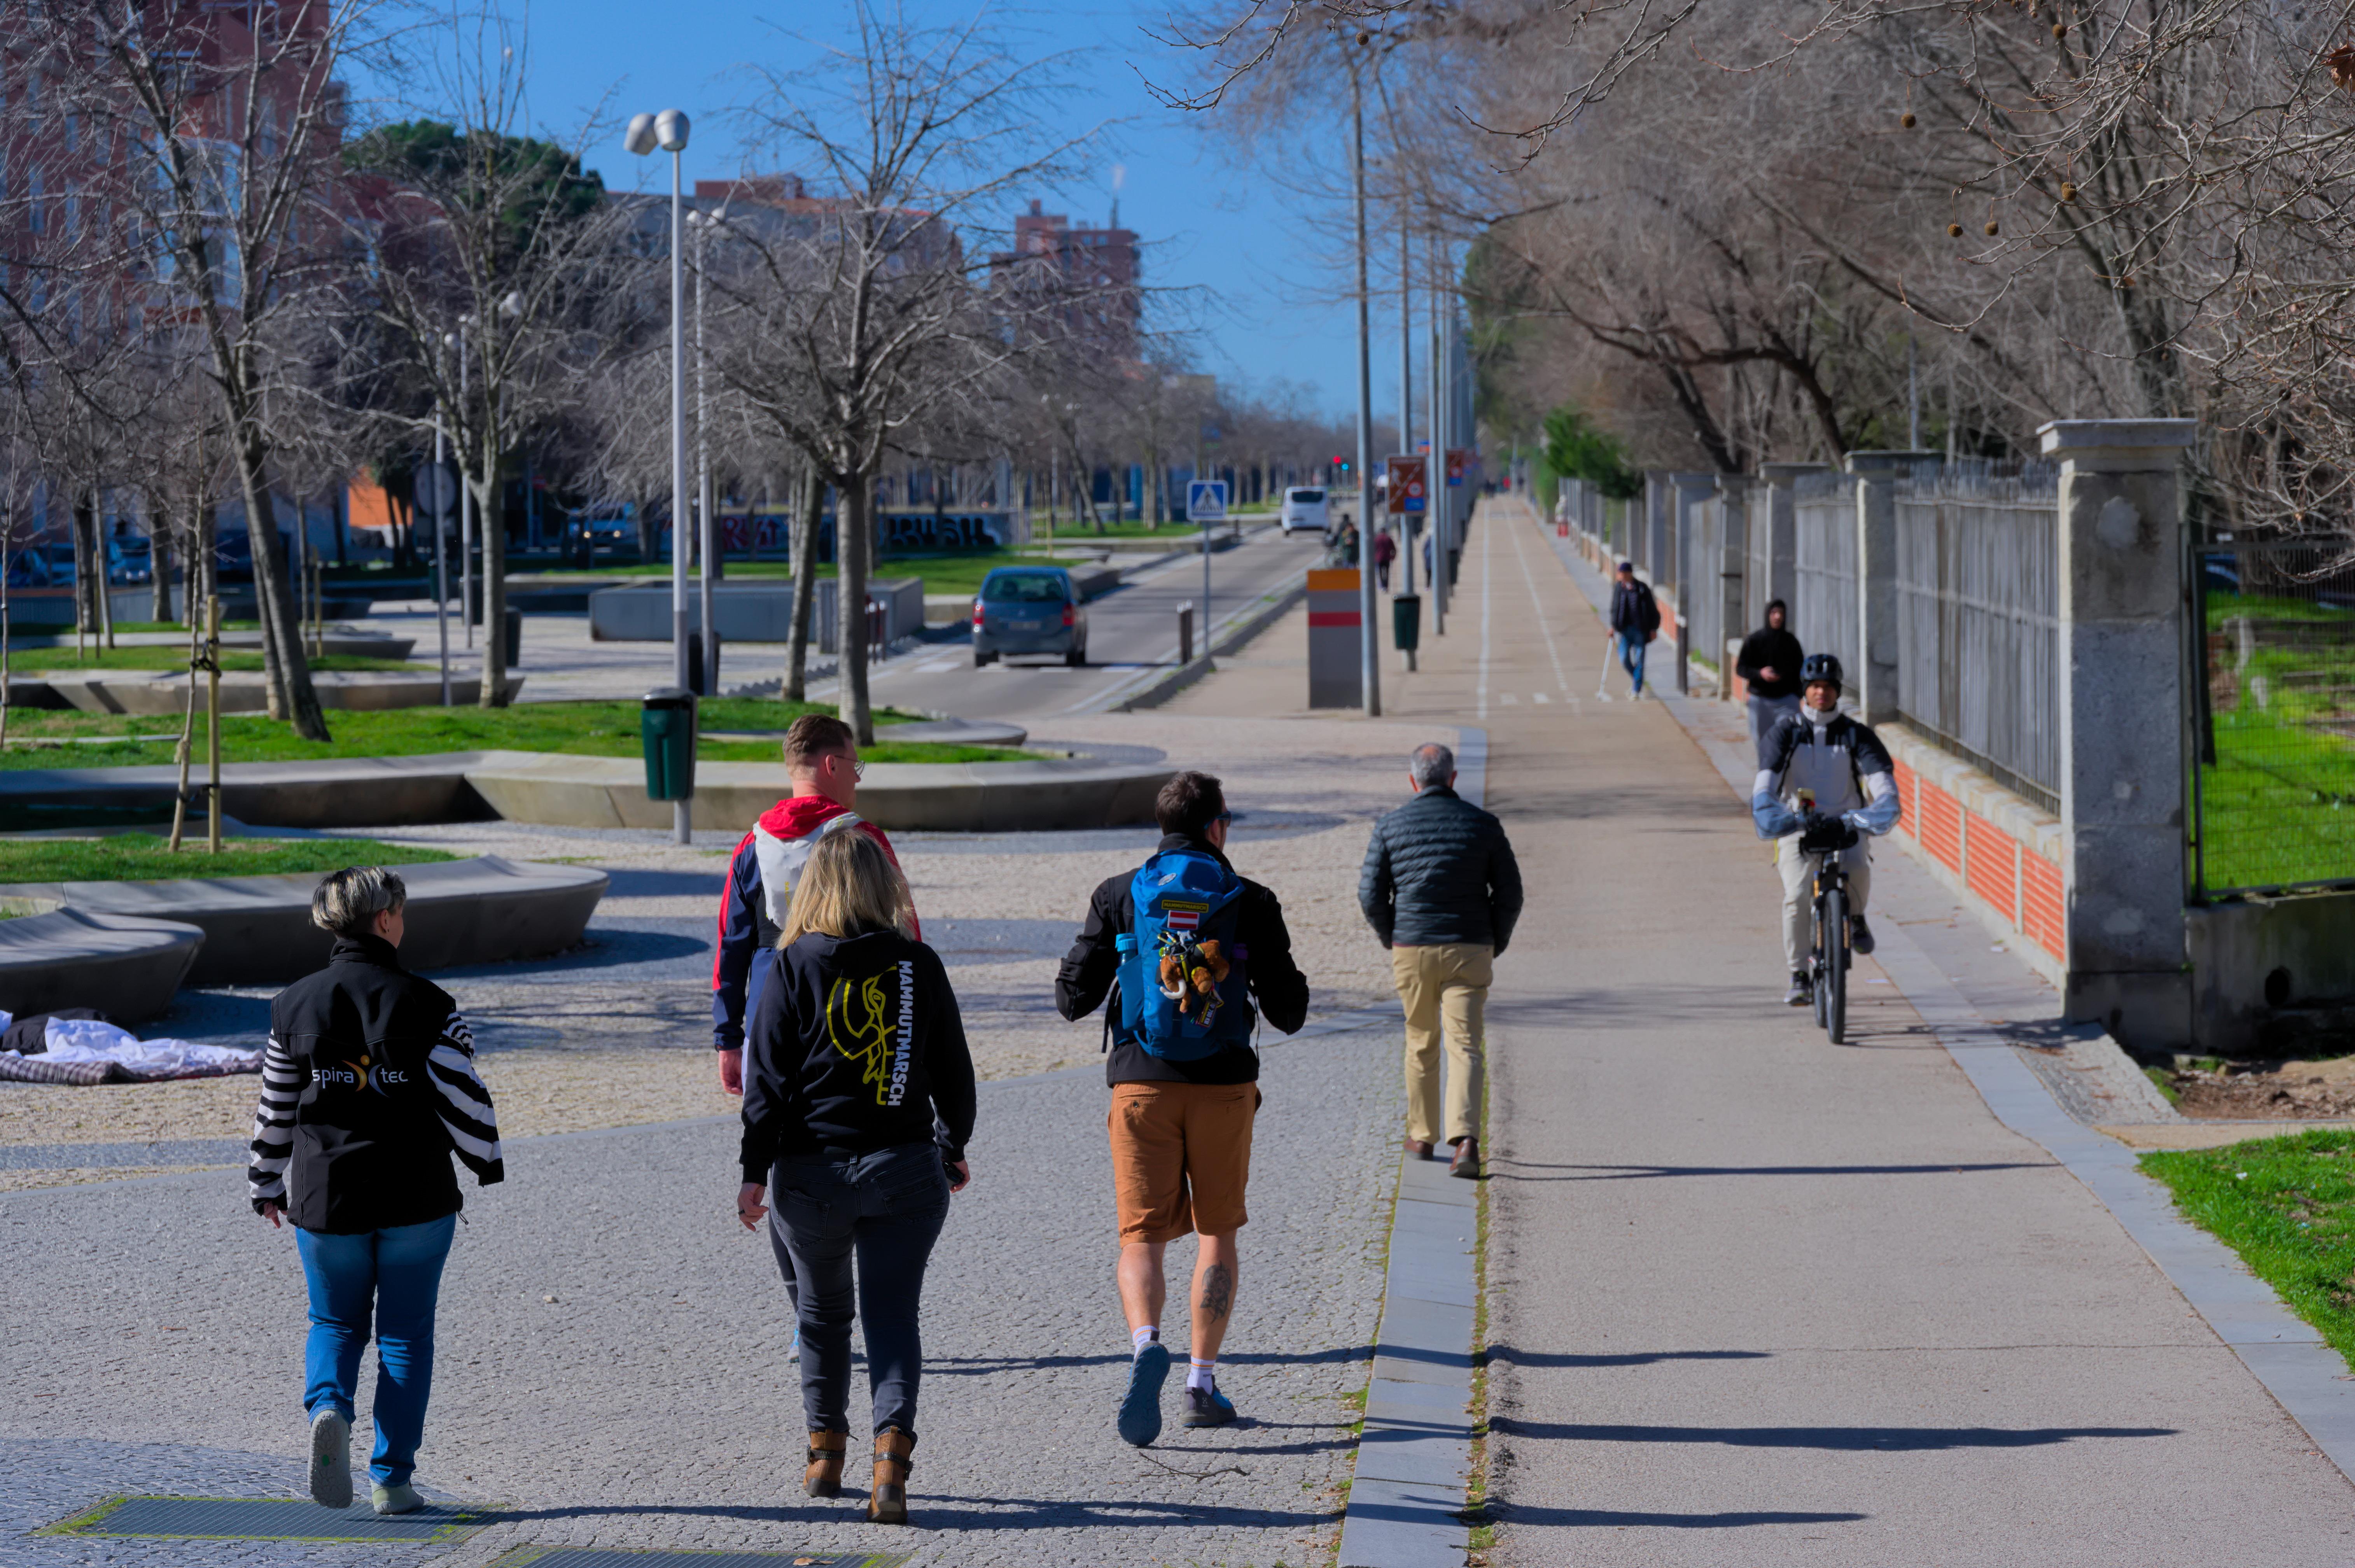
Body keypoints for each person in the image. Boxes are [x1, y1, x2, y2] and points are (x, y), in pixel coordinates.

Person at [1055, 771, 1310, 1447]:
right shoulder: (1251, 899)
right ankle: (1200, 1383)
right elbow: (1290, 1011)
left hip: (1141, 1086)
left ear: (1161, 825)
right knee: (1216, 1234)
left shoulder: (1119, 894)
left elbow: (1071, 998)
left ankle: (1146, 1343)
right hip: (1224, 1088)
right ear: (1217, 825)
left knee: (1140, 1237)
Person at [247, 867, 504, 1516]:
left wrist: (265, 1182)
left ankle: (329, 1407)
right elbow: (462, 1092)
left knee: (334, 1322)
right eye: (402, 913)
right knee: (406, 1335)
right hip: (416, 1195)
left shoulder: (292, 1005)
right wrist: (485, 1160)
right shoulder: (431, 1003)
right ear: (386, 919)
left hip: (326, 1197)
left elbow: (276, 1108)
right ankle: (392, 1480)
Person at [736, 829, 974, 1526]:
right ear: (884, 888)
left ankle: (824, 1456)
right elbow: (954, 1072)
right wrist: (953, 1144)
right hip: (905, 1168)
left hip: (811, 1173)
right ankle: (890, 1463)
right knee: (893, 1317)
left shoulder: (790, 966)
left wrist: (753, 1172)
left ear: (814, 888)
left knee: (820, 1315)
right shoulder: (918, 964)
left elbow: (767, 1084)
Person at [714, 714, 921, 1362]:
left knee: (786, 1163)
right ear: (831, 765)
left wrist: (727, 1038)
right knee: (872, 1151)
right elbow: (907, 932)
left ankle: (808, 1312)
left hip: (772, 1019)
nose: (857, 778)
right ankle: (874, 1307)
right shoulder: (861, 838)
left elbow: (730, 945)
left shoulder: (752, 844)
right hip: (858, 1019)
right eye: (855, 765)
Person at [1358, 743, 1523, 1179]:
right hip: (1470, 946)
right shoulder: (1484, 825)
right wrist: (1494, 941)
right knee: (1465, 1043)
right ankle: (1466, 1140)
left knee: (1420, 1040)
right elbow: (1510, 893)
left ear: (1413, 781)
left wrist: (1392, 936)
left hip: (1413, 947)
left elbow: (1370, 895)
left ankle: (1422, 1136)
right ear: (1452, 779)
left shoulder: (1390, 826)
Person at [1751, 653, 1902, 1006]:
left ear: (1838, 690)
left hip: (1846, 822)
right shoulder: (1786, 732)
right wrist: (1767, 807)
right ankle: (1799, 975)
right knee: (1797, 896)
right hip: (1798, 825)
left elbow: (1880, 779)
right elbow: (1767, 781)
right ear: (1805, 690)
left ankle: (1856, 917)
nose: (1822, 693)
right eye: (1815, 686)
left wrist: (1883, 803)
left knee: (1859, 867)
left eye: (1829, 686)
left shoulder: (1855, 734)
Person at [1734, 599, 1805, 767]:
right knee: (1763, 743)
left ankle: (1785, 775)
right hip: (1761, 702)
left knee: (1789, 740)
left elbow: (1801, 672)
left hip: (1787, 701)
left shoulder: (1792, 642)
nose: (1777, 617)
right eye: (1774, 613)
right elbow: (1741, 668)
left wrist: (1800, 697)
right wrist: (1760, 674)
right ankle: (1766, 775)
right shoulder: (1754, 640)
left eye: (1781, 613)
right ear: (1767, 615)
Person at [1608, 562, 1661, 698]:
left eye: (1623, 573)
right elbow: (1615, 608)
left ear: (1629, 573)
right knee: (1624, 659)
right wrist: (1613, 626)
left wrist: (1653, 629)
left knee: (1639, 661)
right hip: (1624, 630)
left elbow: (1653, 610)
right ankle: (1638, 680)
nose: (1620, 576)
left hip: (1640, 630)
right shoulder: (1619, 588)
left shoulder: (1642, 588)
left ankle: (1636, 690)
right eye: (1620, 573)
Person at [1372, 525, 1397, 591]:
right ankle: (1386, 586)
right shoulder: (1388, 539)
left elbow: (1373, 549)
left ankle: (1382, 586)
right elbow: (1394, 549)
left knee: (1380, 573)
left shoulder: (1376, 539)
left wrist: (1374, 557)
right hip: (1387, 558)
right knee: (1387, 573)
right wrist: (1393, 557)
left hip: (1379, 559)